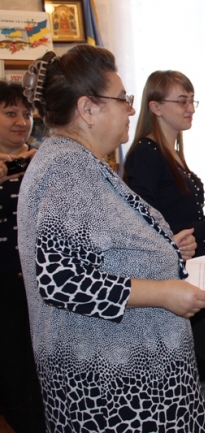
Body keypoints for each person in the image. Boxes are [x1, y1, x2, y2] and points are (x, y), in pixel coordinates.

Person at [18, 46, 205, 432]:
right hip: (114, 386)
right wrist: (163, 293)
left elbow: (103, 249)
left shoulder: (79, 163)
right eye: (123, 99)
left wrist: (166, 249)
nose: (131, 110)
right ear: (88, 109)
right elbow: (61, 279)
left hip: (129, 378)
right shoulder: (67, 169)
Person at [122, 70, 205, 433]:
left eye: (193, 100)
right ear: (155, 107)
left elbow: (174, 215)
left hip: (195, 275)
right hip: (176, 281)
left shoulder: (172, 152)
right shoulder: (146, 154)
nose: (190, 107)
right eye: (182, 101)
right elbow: (144, 225)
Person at [0, 81, 45, 433]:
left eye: (27, 114)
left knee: (42, 373)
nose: (21, 121)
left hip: (41, 285)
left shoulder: (44, 161)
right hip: (3, 290)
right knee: (11, 376)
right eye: (10, 113)